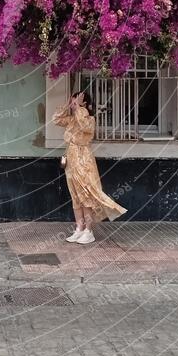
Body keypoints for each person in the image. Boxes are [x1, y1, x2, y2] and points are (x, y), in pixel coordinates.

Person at [53, 91, 127, 245]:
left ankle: (89, 230)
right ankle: (79, 228)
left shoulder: (89, 119)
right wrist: (67, 106)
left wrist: (79, 108)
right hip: (71, 158)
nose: (74, 105)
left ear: (84, 104)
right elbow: (56, 119)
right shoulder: (72, 119)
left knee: (86, 194)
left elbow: (85, 127)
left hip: (83, 159)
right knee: (75, 195)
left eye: (76, 102)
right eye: (73, 102)